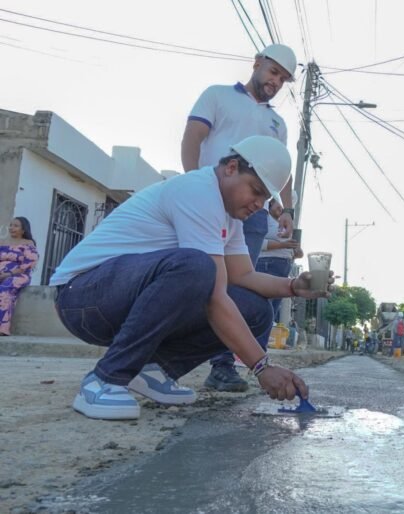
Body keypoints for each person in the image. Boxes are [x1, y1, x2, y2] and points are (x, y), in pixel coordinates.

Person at [50, 136, 333, 421]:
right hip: (81, 298)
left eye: (265, 199)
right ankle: (104, 379)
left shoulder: (230, 217)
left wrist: (293, 287)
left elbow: (243, 276)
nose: (258, 205)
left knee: (255, 309)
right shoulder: (198, 192)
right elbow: (214, 296)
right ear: (231, 167)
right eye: (256, 191)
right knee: (197, 267)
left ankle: (155, 370)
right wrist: (261, 367)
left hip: (120, 298)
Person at [181, 43, 298, 392]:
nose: (276, 82)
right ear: (258, 63)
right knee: (196, 281)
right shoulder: (217, 96)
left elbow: (281, 175)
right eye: (273, 72)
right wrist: (194, 185)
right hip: (208, 203)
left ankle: (224, 367)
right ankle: (162, 358)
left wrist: (285, 211)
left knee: (242, 288)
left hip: (253, 216)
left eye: (283, 79)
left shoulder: (277, 123)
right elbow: (193, 137)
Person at [254, 197, 303, 349]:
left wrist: (295, 250)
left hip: (283, 265)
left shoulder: (283, 223)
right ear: (270, 202)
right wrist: (282, 244)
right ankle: (253, 349)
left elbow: (296, 252)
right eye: (279, 205)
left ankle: (259, 350)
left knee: (271, 313)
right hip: (267, 264)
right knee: (263, 310)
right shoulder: (264, 219)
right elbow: (256, 244)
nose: (282, 209)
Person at [0, 217, 39, 336]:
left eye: (16, 226)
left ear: (23, 230)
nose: (12, 228)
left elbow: (29, 263)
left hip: (19, 275)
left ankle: (2, 329)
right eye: (11, 225)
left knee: (4, 288)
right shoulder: (3, 242)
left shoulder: (28, 244)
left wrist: (8, 274)